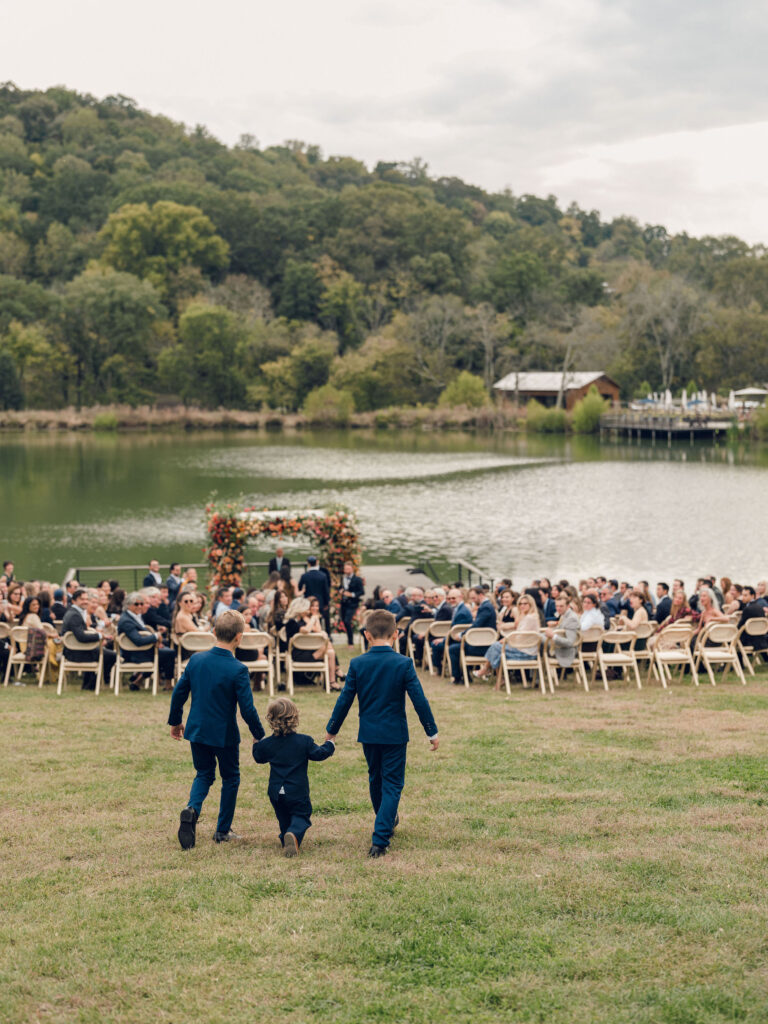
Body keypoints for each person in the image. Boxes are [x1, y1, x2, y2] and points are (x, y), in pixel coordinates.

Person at [325, 609, 438, 858]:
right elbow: (419, 699)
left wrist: (331, 731)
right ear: (396, 634)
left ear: (366, 635)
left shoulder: (357, 663)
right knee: (393, 784)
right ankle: (380, 838)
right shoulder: (403, 663)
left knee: (376, 779)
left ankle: (385, 820)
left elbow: (344, 700)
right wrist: (431, 731)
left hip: (369, 732)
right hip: (395, 734)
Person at [169, 610, 265, 849]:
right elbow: (247, 710)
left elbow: (179, 693)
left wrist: (175, 721)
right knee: (231, 777)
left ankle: (192, 809)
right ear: (239, 638)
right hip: (224, 735)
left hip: (197, 730)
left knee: (204, 774)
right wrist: (259, 734)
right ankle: (222, 830)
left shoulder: (196, 660)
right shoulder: (238, 669)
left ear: (213, 632)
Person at [252, 697, 335, 856]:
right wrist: (330, 744)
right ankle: (293, 834)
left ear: (271, 719)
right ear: (295, 717)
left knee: (284, 817)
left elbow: (258, 757)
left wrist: (256, 742)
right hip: (296, 791)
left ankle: (286, 838)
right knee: (301, 815)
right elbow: (319, 754)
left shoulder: (267, 744)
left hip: (276, 792)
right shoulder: (304, 741)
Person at [473, 592, 541, 687]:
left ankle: (486, 669)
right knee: (497, 651)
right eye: (520, 604)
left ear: (531, 604)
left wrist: (507, 640)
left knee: (496, 647)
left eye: (525, 603)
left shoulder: (529, 618)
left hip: (526, 652)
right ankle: (495, 676)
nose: (522, 606)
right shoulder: (527, 616)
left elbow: (520, 636)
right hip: (524, 649)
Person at [117, 591, 176, 687]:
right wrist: (156, 636)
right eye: (136, 604)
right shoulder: (126, 620)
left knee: (165, 649)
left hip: (141, 651)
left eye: (141, 603)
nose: (140, 606)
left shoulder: (134, 616)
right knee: (169, 653)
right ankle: (168, 684)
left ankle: (138, 680)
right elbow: (138, 641)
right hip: (134, 654)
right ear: (128, 605)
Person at [61, 588, 116, 690]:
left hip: (79, 650)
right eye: (82, 599)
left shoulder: (76, 613)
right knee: (112, 656)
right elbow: (81, 637)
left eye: (86, 599)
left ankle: (89, 684)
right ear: (73, 601)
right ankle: (93, 683)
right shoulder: (74, 615)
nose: (85, 601)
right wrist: (100, 636)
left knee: (103, 652)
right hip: (75, 653)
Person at [448, 585, 496, 685]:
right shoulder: (486, 606)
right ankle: (464, 676)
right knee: (456, 647)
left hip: (483, 646)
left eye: (474, 598)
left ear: (481, 595)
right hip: (481, 642)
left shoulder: (485, 607)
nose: (473, 601)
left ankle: (458, 677)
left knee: (453, 649)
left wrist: (461, 635)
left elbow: (477, 625)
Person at [544, 593, 580, 672]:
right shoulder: (564, 615)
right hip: (558, 646)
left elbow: (570, 642)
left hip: (565, 651)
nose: (558, 608)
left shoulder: (571, 618)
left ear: (567, 606)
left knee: (539, 642)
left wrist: (553, 636)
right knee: (539, 639)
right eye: (557, 606)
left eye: (561, 606)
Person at [298, 556, 330, 630]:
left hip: (308, 602)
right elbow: (326, 590)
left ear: (308, 564)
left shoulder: (304, 576)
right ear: (316, 563)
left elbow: (300, 588)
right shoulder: (323, 576)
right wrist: (326, 603)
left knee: (309, 620)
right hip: (320, 601)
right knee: (319, 620)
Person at [340, 561, 365, 648]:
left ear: (352, 569)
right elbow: (342, 588)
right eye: (345, 568)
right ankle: (349, 641)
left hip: (352, 604)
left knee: (347, 621)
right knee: (344, 621)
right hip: (344, 603)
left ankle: (351, 643)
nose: (346, 570)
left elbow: (362, 592)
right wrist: (341, 591)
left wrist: (351, 594)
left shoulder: (357, 579)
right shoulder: (342, 578)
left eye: (348, 568)